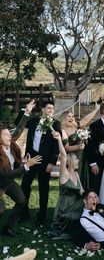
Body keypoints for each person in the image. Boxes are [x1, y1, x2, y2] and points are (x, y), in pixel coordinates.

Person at [15, 100, 62, 226]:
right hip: (31, 159)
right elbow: (18, 123)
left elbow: (56, 146)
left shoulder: (56, 124)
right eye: (49, 108)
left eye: (52, 108)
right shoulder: (34, 121)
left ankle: (41, 216)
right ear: (43, 110)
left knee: (43, 189)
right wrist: (25, 111)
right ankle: (24, 213)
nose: (51, 110)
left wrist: (52, 162)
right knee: (25, 186)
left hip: (45, 161)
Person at [0, 100, 42, 237]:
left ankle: (7, 228)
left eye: (9, 134)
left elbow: (19, 129)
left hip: (8, 183)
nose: (10, 136)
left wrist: (27, 112)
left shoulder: (11, 145)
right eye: (6, 135)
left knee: (21, 201)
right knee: (1, 208)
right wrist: (26, 166)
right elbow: (5, 175)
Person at [47, 130, 84, 240]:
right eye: (76, 159)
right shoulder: (64, 174)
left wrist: (92, 198)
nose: (78, 161)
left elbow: (82, 191)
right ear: (70, 162)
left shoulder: (76, 174)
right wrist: (59, 139)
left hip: (75, 204)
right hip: (64, 208)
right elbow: (63, 155)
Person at [61, 103, 100, 190]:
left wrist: (96, 110)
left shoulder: (76, 127)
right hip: (73, 157)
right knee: (76, 175)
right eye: (68, 116)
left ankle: (84, 197)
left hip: (83, 156)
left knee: (84, 176)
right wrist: (78, 147)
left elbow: (86, 120)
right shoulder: (63, 131)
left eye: (72, 116)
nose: (71, 118)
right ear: (64, 118)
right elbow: (66, 147)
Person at [86, 104, 104, 194]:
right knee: (95, 184)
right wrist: (93, 163)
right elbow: (90, 146)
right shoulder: (94, 126)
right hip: (97, 161)